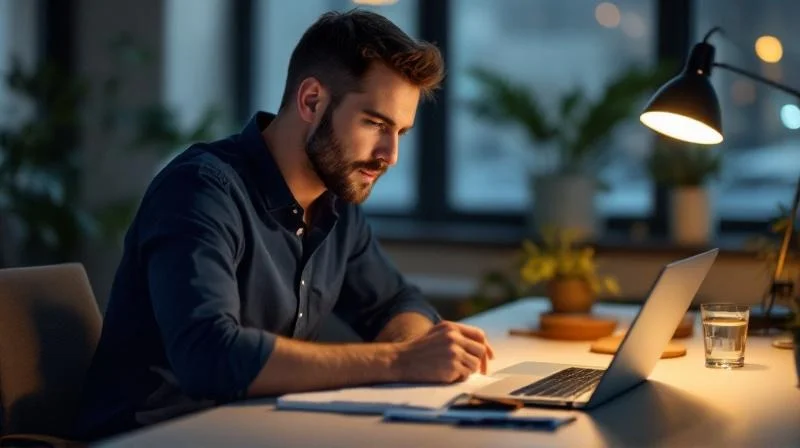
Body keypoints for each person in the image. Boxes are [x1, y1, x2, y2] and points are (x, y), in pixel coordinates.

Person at [75, 9, 494, 441]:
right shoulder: (200, 190)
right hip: (150, 437)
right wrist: (400, 362)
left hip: (255, 431)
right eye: (375, 123)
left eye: (400, 133)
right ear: (311, 100)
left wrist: (413, 348)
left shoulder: (336, 203)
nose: (389, 155)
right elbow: (209, 356)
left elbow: (396, 302)